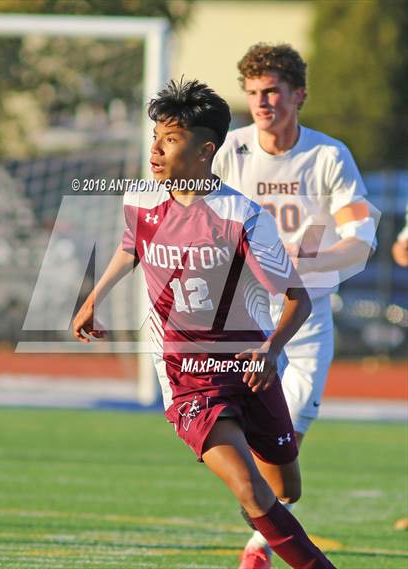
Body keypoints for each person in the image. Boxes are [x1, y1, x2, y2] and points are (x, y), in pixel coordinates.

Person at [73, 78, 336, 568]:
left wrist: (272, 349)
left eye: (170, 139)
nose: (155, 149)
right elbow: (131, 247)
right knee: (252, 489)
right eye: (155, 136)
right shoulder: (139, 201)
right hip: (186, 376)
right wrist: (94, 297)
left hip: (248, 367)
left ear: (205, 150)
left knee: (284, 488)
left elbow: (297, 298)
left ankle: (264, 516)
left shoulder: (243, 217)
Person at [213, 43, 376, 569]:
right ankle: (264, 544)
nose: (262, 102)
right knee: (249, 447)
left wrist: (310, 262)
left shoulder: (329, 156)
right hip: (242, 316)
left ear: (298, 95)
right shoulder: (227, 151)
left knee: (287, 455)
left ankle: (260, 539)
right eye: (254, 92)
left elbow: (360, 237)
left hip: (306, 320)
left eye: (273, 91)